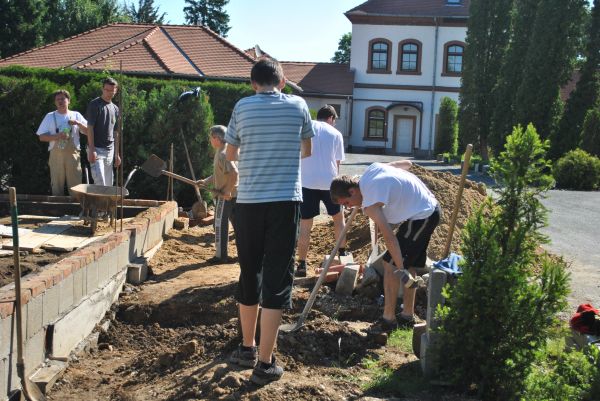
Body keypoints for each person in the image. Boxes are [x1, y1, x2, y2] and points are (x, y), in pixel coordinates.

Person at [224, 57, 314, 385]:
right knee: (277, 277)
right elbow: (306, 150)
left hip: (248, 202)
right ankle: (265, 363)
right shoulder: (299, 105)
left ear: (253, 83)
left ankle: (246, 347)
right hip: (284, 202)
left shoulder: (242, 106)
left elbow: (230, 154)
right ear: (282, 81)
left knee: (250, 271)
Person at [330, 160, 440, 330]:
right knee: (403, 263)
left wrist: (400, 267)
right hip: (425, 208)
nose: (348, 208)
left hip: (423, 215)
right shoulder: (370, 171)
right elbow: (405, 164)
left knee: (390, 264)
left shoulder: (371, 205)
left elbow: (389, 237)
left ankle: (388, 320)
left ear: (352, 191)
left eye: (346, 203)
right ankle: (407, 316)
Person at [295, 105, 346, 277]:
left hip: (306, 182)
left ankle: (301, 264)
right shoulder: (336, 134)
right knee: (338, 219)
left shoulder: (307, 127)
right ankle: (343, 254)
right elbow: (337, 164)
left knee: (305, 224)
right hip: (329, 183)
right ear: (331, 118)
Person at [197, 125, 238, 264]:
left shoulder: (223, 153)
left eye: (210, 137)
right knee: (238, 226)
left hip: (225, 197)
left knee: (219, 225)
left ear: (217, 138)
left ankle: (221, 256)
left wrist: (227, 190)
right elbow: (219, 173)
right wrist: (205, 181)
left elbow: (234, 173)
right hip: (233, 195)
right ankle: (245, 253)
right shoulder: (223, 151)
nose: (209, 140)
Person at [36, 89, 88, 196]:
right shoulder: (50, 116)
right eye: (57, 99)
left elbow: (88, 132)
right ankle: (57, 209)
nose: (60, 101)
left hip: (73, 155)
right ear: (55, 102)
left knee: (76, 184)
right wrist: (57, 136)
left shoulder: (76, 115)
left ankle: (77, 209)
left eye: (63, 99)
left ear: (68, 101)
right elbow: (41, 137)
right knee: (57, 184)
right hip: (56, 155)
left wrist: (78, 123)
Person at [86, 77, 121, 186]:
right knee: (100, 182)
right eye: (107, 90)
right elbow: (89, 127)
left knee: (109, 184)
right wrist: (91, 149)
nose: (110, 93)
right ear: (102, 89)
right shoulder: (95, 104)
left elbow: (116, 133)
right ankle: (98, 203)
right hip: (96, 149)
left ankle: (107, 204)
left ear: (116, 90)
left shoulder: (115, 109)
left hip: (110, 151)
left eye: (112, 90)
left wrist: (117, 154)